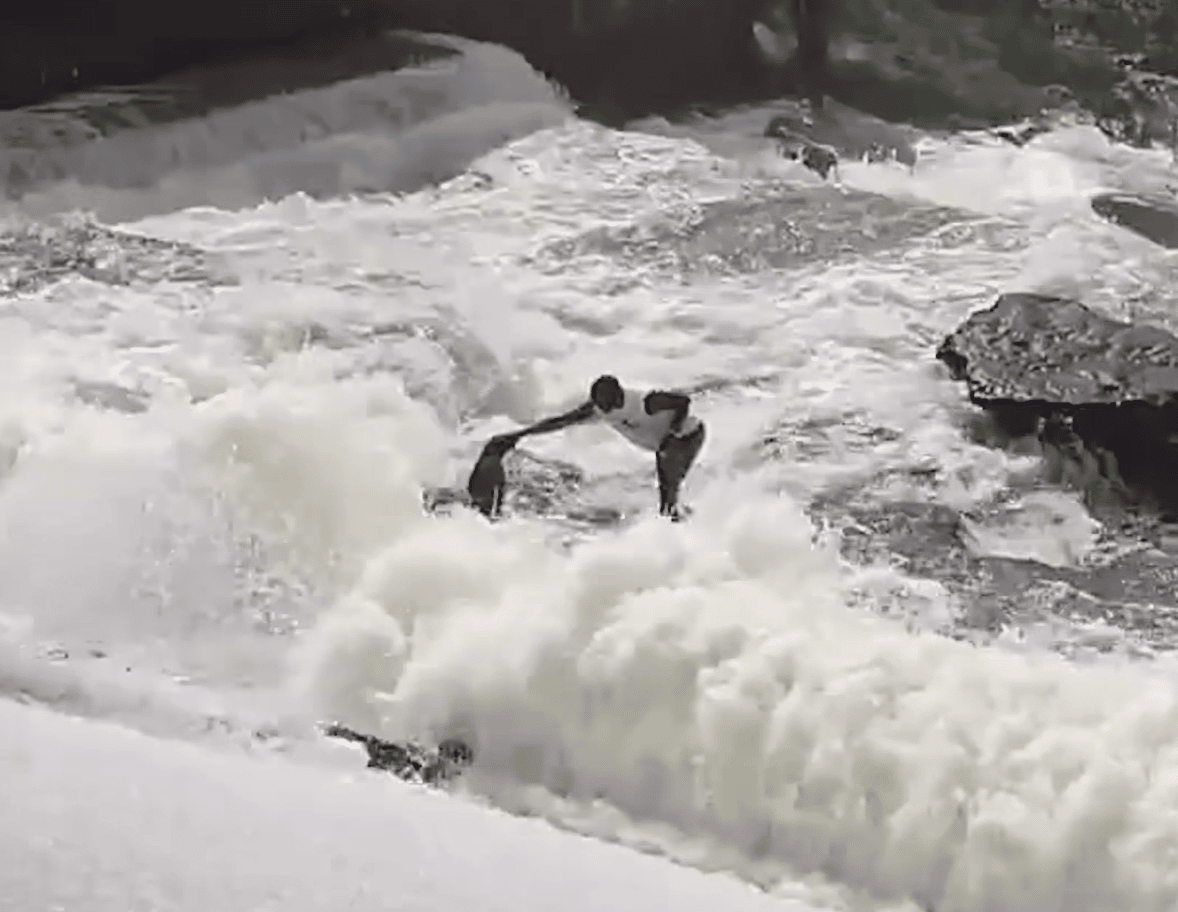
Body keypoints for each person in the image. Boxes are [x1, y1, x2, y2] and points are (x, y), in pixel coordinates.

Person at [471, 374, 705, 521]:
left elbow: (683, 401)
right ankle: (682, 520)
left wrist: (673, 430)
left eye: (605, 404)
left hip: (686, 438)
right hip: (661, 446)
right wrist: (518, 435)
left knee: (667, 490)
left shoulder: (648, 403)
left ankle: (678, 531)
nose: (601, 409)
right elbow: (560, 421)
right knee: (666, 490)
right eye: (597, 403)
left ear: (619, 397)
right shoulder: (599, 409)